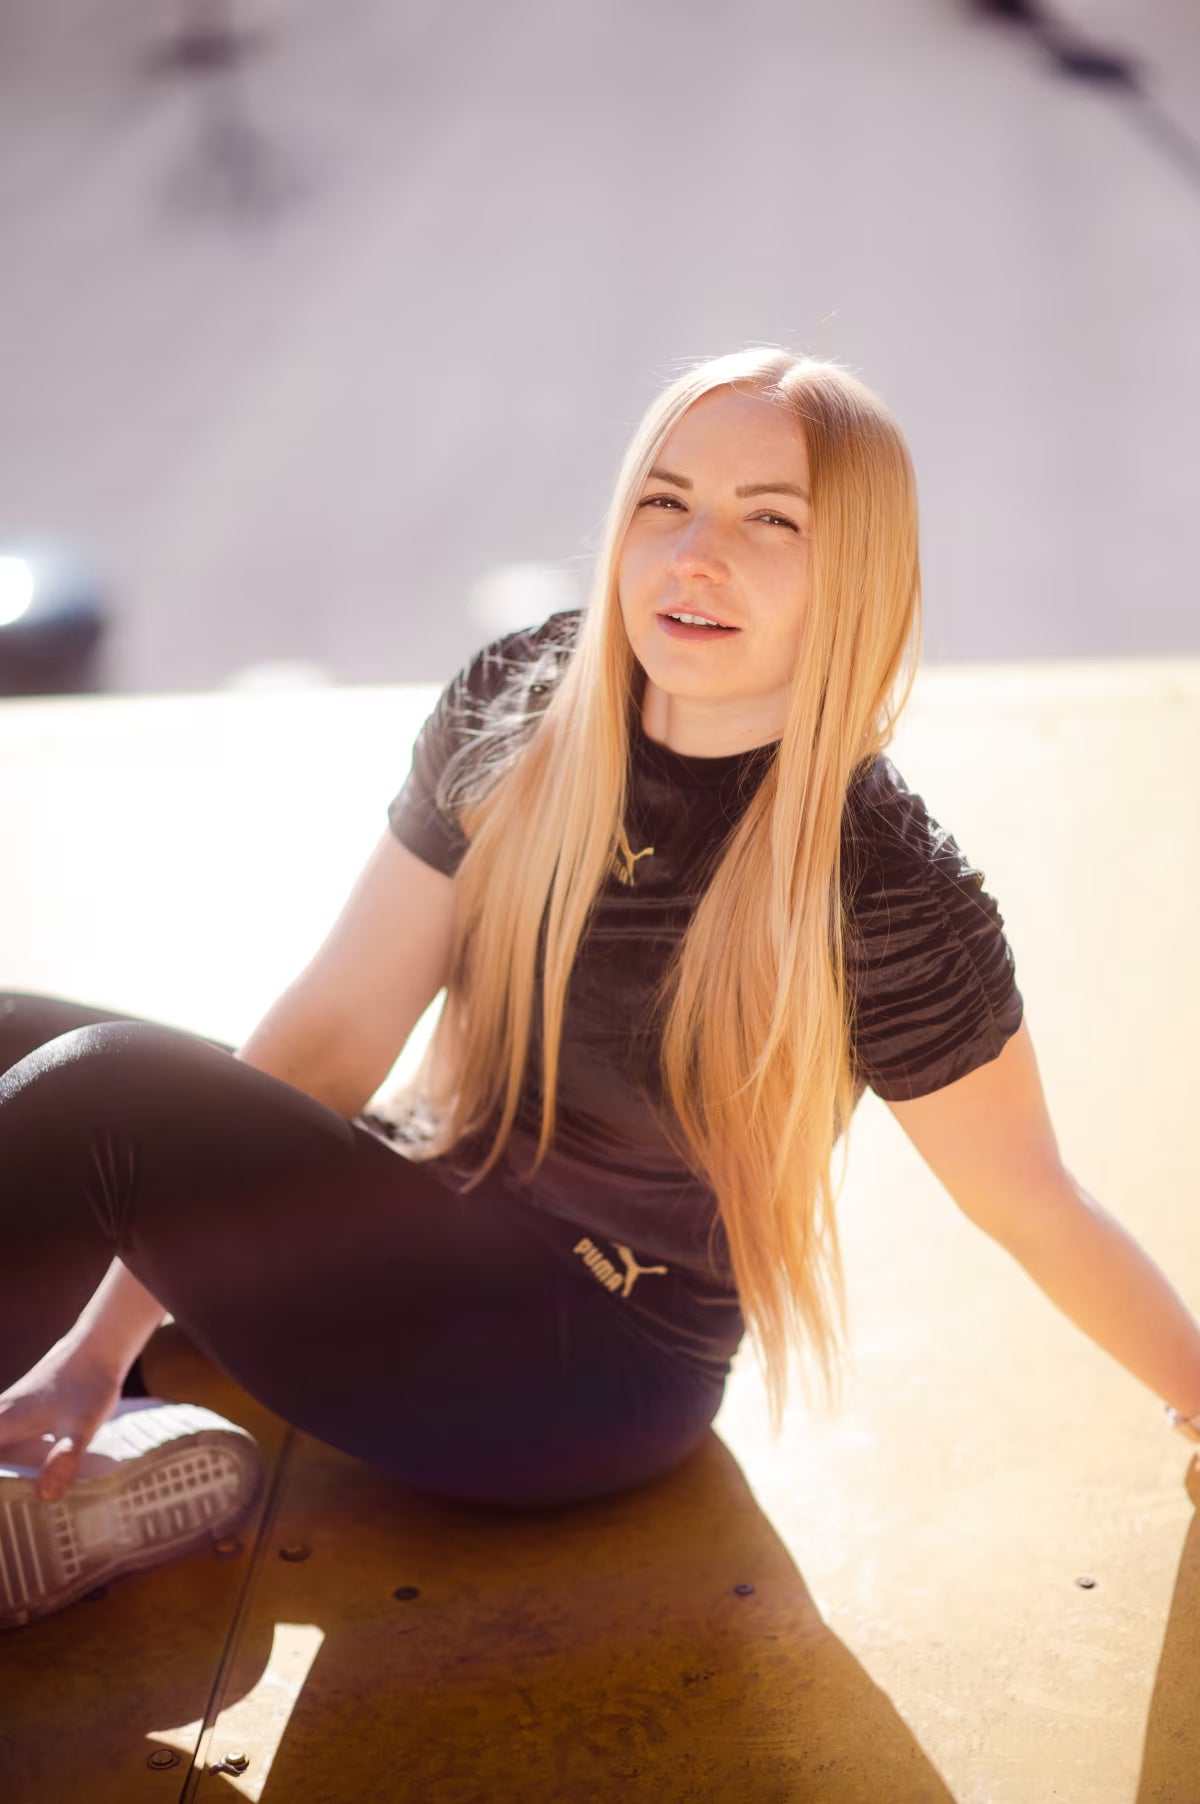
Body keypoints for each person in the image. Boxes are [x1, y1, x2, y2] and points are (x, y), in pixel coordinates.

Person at [3, 346, 1199, 1633]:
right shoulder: (522, 704)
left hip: (577, 1372)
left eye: (769, 519)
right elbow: (336, 1038)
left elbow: (1031, 1200)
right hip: (411, 1203)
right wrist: (99, 1341)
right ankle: (81, 1462)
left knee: (101, 1094)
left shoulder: (882, 885)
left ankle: (75, 1429)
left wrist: (1196, 1399)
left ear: (856, 572)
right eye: (665, 500)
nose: (696, 552)